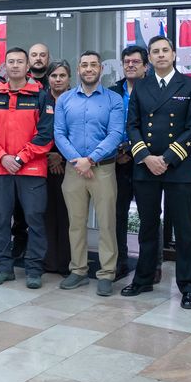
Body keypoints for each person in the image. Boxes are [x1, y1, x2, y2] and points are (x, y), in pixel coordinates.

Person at [123, 36, 191, 309]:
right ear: (150, 57)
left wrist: (167, 159)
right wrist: (146, 157)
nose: (160, 55)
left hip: (178, 167)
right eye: (155, 51)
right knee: (147, 227)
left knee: (184, 230)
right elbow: (132, 125)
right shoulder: (141, 86)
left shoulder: (190, 85)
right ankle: (143, 279)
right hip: (146, 167)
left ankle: (189, 287)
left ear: (174, 54)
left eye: (165, 50)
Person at [0, 46, 54, 289]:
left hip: (32, 170)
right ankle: (3, 267)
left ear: (27, 66)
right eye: (10, 61)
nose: (15, 65)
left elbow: (45, 135)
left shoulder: (41, 96)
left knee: (34, 219)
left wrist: (20, 158)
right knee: (0, 219)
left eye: (19, 61)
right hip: (1, 169)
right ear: (4, 66)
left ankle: (34, 270)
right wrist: (2, 157)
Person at [54, 52, 125, 297]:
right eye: (84, 65)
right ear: (78, 69)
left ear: (101, 69)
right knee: (76, 223)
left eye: (93, 65)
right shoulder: (64, 99)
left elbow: (116, 134)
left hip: (103, 169)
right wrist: (78, 160)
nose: (89, 69)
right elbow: (59, 133)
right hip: (74, 170)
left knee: (106, 224)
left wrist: (91, 159)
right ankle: (78, 270)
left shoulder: (114, 99)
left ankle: (106, 274)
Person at [110, 44, 148, 280]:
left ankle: (151, 265)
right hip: (117, 161)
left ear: (145, 66)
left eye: (135, 62)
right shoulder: (113, 92)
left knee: (148, 215)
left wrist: (134, 152)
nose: (131, 65)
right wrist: (115, 153)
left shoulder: (154, 90)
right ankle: (120, 261)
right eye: (127, 62)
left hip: (145, 161)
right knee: (117, 215)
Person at [42, 60, 73, 276]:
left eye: (62, 75)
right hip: (42, 164)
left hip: (69, 165)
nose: (58, 79)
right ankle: (49, 261)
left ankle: (66, 263)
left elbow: (80, 132)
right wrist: (48, 156)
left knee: (67, 215)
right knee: (46, 214)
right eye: (54, 76)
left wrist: (61, 157)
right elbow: (33, 130)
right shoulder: (40, 99)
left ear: (69, 78)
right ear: (48, 78)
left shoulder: (77, 99)